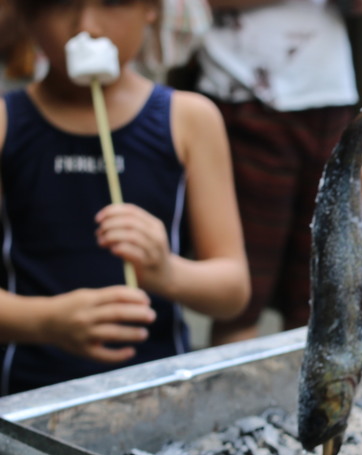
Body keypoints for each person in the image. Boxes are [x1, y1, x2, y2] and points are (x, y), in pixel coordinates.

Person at [0, 0, 249, 395]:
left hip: (159, 394)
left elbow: (233, 291)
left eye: (113, 2)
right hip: (28, 396)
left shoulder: (189, 119)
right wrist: (47, 321)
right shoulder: (6, 122)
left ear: (151, 8)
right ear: (29, 14)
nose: (87, 26)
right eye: (63, 4)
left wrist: (167, 271)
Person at [198, 0, 362, 346]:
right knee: (243, 297)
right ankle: (235, 397)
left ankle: (304, 399)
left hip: (329, 94)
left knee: (318, 297)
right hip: (244, 96)